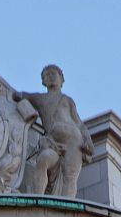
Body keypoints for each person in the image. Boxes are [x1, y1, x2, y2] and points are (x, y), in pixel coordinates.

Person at [18, 65, 93, 196]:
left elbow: (79, 123)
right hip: (52, 143)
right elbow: (19, 95)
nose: (51, 76)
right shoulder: (40, 99)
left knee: (70, 177)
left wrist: (88, 140)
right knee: (43, 160)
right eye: (47, 75)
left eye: (54, 74)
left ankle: (67, 210)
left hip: (74, 142)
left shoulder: (68, 100)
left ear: (62, 79)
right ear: (43, 81)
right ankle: (38, 201)